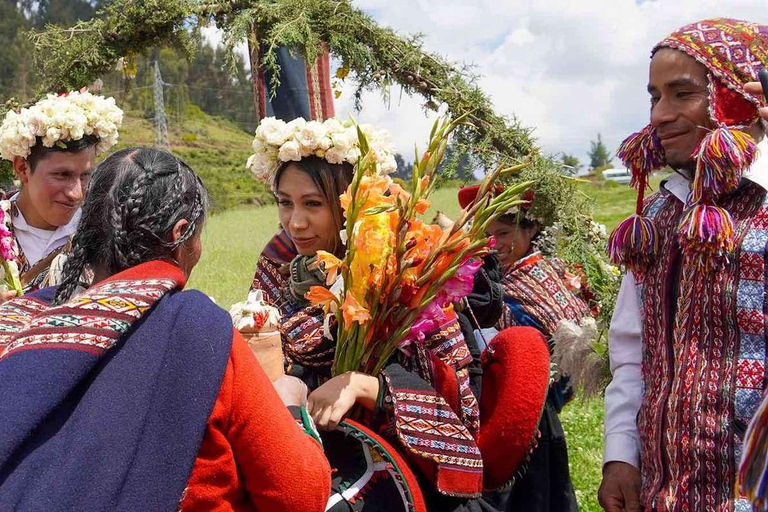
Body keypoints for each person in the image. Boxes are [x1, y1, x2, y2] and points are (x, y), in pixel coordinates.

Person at [245, 117, 555, 511]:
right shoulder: (279, 262)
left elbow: (459, 410)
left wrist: (365, 387)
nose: (296, 222)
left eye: (313, 204)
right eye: (284, 202)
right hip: (308, 456)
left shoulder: (398, 269)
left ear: (351, 202)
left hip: (404, 475)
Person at [0, 147, 331, 511]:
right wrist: (290, 405)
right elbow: (299, 494)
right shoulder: (194, 328)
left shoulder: (20, 317)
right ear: (181, 235)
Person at [600, 18, 768, 512]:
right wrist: (620, 456)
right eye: (654, 96)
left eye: (682, 94)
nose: (660, 114)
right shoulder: (657, 214)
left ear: (741, 98)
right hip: (663, 493)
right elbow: (632, 349)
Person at [458, 185, 590, 512]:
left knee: (531, 492)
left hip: (531, 405)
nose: (495, 244)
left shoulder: (534, 274)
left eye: (503, 232)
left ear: (530, 228)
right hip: (516, 402)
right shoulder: (501, 275)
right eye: (486, 235)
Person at [0, 90, 123, 298]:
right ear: (22, 168)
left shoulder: (105, 236)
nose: (76, 194)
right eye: (62, 175)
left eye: (85, 176)